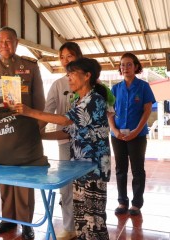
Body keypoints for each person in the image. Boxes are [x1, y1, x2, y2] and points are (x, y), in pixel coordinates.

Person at [14, 58, 111, 240]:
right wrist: (38, 136)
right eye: (68, 74)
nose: (69, 78)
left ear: (87, 76)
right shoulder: (78, 102)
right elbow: (67, 133)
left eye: (72, 73)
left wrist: (29, 112)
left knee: (94, 221)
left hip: (94, 170)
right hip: (79, 169)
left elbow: (64, 120)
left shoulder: (94, 101)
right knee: (82, 219)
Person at [0, 26, 45, 240]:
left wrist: (37, 126)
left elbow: (39, 97)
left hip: (24, 130)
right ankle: (7, 219)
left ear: (16, 42)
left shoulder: (30, 66)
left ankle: (26, 222)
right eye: (1, 41)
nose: (5, 45)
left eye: (9, 41)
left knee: (24, 177)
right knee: (4, 176)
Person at [44, 42, 83, 240]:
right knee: (66, 186)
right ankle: (69, 227)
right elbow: (47, 112)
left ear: (78, 57)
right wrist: (36, 134)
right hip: (64, 143)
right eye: (62, 57)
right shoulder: (58, 85)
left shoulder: (89, 82)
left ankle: (87, 223)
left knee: (86, 185)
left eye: (70, 56)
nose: (65, 60)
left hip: (87, 145)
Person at [109, 52, 156, 216]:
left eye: (129, 64)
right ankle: (122, 202)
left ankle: (136, 203)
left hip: (138, 135)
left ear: (136, 67)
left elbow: (147, 110)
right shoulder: (115, 88)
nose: (125, 67)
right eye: (122, 65)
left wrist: (136, 131)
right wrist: (115, 131)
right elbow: (109, 112)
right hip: (118, 136)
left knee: (137, 170)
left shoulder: (143, 87)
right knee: (120, 169)